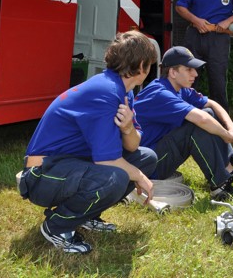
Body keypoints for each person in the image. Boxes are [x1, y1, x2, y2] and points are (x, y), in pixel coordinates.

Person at [19, 31, 159, 254]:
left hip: (67, 165)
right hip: (41, 176)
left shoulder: (123, 91)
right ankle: (57, 227)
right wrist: (140, 177)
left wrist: (128, 128)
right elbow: (108, 161)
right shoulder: (106, 92)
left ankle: (86, 216)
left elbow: (133, 146)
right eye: (150, 64)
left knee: (146, 158)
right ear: (142, 65)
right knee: (117, 176)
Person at [134, 46, 233, 201]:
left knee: (208, 114)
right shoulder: (160, 93)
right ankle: (220, 185)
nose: (195, 74)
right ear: (173, 72)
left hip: (159, 154)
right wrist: (226, 135)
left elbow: (212, 104)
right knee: (195, 124)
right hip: (147, 166)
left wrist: (231, 127)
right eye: (189, 69)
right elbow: (200, 119)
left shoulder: (179, 88)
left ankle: (230, 173)